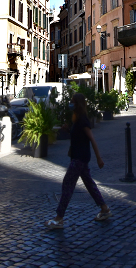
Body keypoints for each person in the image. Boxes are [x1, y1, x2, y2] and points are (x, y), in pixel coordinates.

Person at [46, 93, 110, 229]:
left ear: (78, 104)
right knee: (89, 183)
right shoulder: (76, 119)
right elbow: (78, 136)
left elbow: (91, 139)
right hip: (79, 156)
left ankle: (59, 218)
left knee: (67, 184)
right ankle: (104, 208)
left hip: (80, 158)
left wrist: (99, 158)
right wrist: (68, 130)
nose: (70, 103)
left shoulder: (83, 120)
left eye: (72, 102)